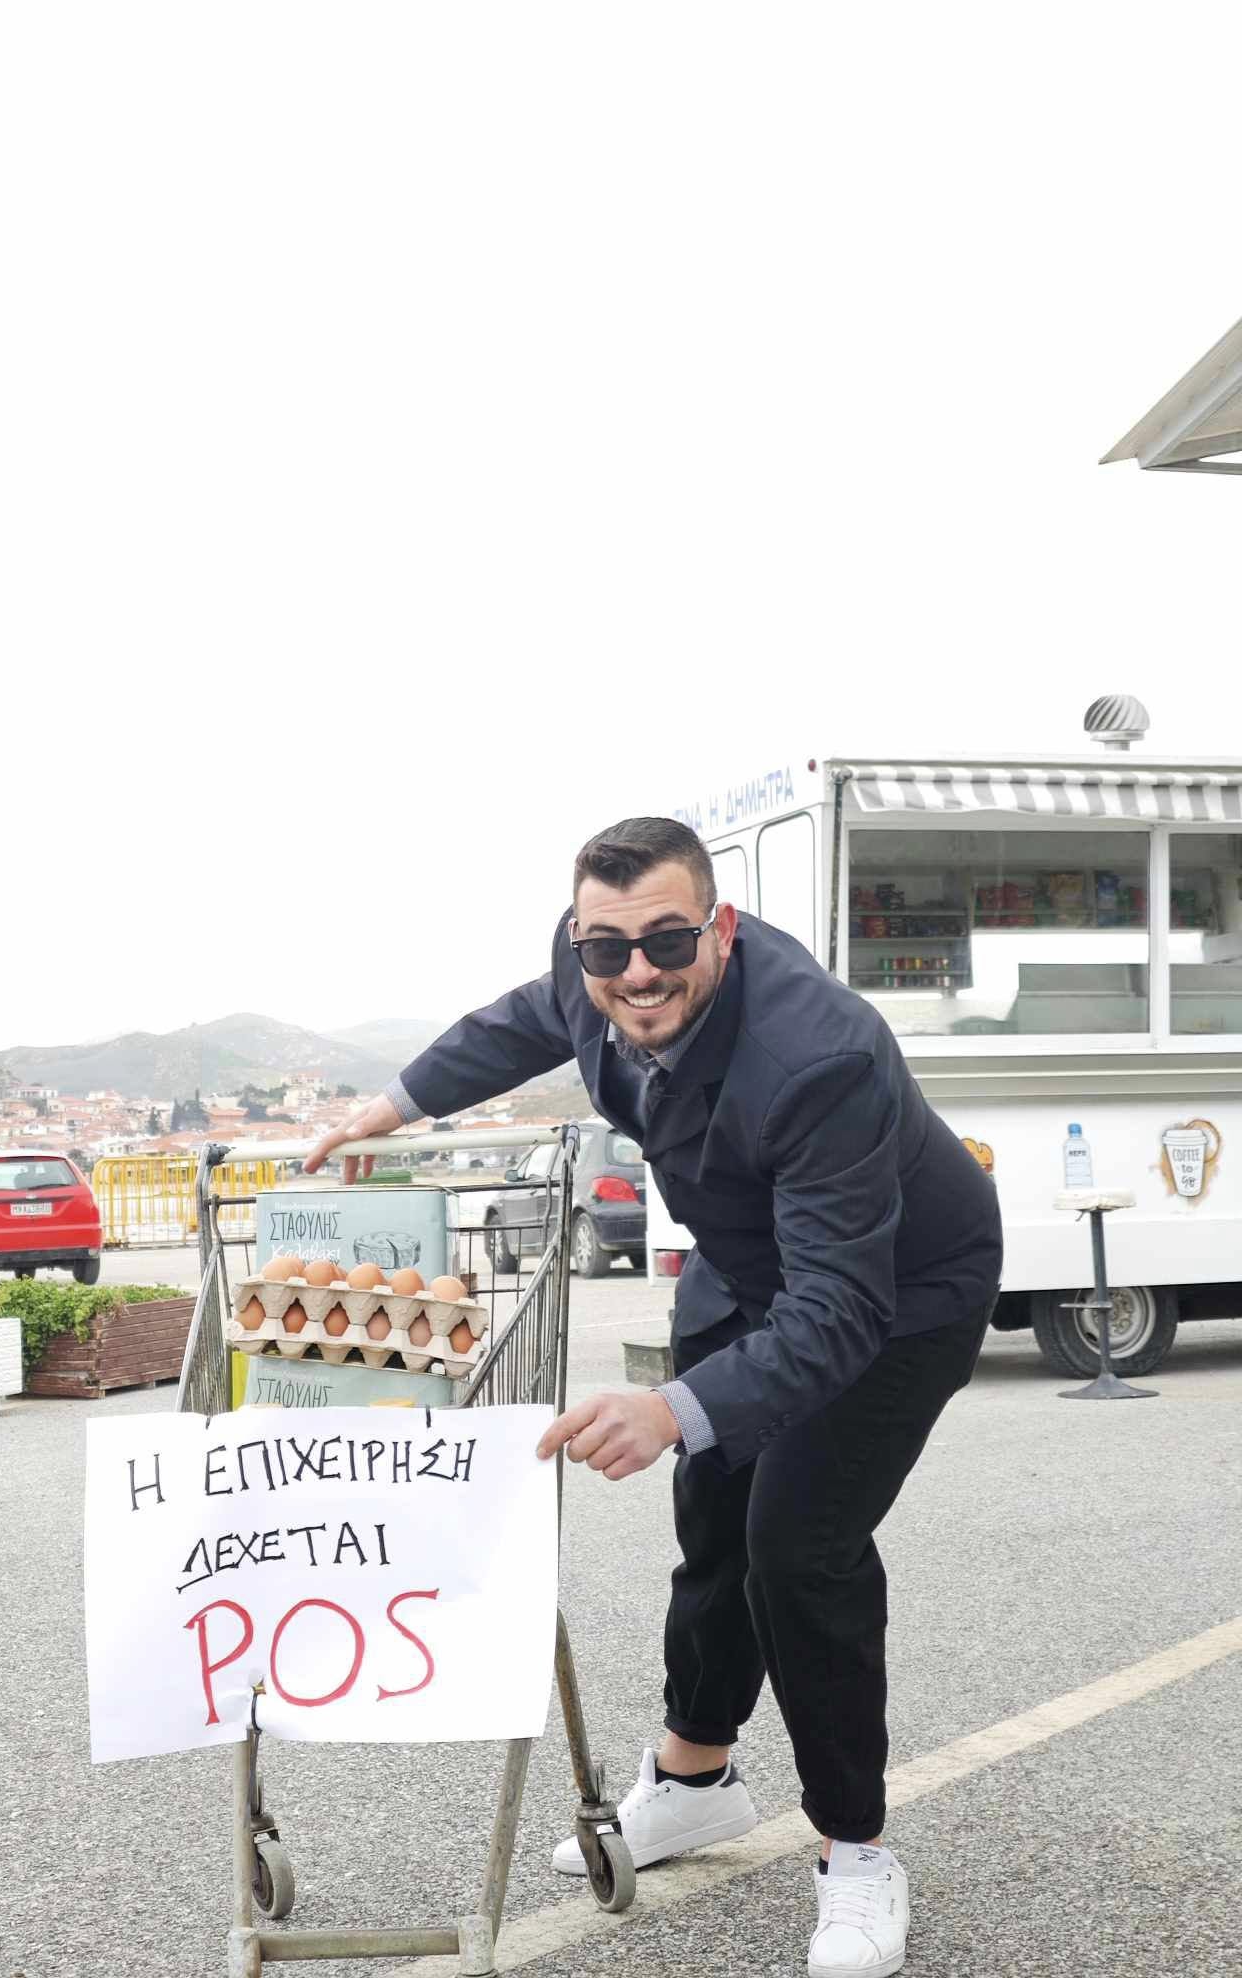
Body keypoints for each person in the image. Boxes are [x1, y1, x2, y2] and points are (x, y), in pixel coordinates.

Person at [305, 815, 1001, 1978]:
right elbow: (518, 1022)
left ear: (718, 928)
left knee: (799, 1543)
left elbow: (837, 1307)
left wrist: (670, 1407)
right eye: (607, 947)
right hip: (746, 1260)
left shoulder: (819, 1055)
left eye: (667, 942)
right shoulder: (590, 966)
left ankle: (857, 1847)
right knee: (714, 1509)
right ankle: (696, 1773)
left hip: (895, 1288)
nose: (636, 972)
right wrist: (389, 1108)